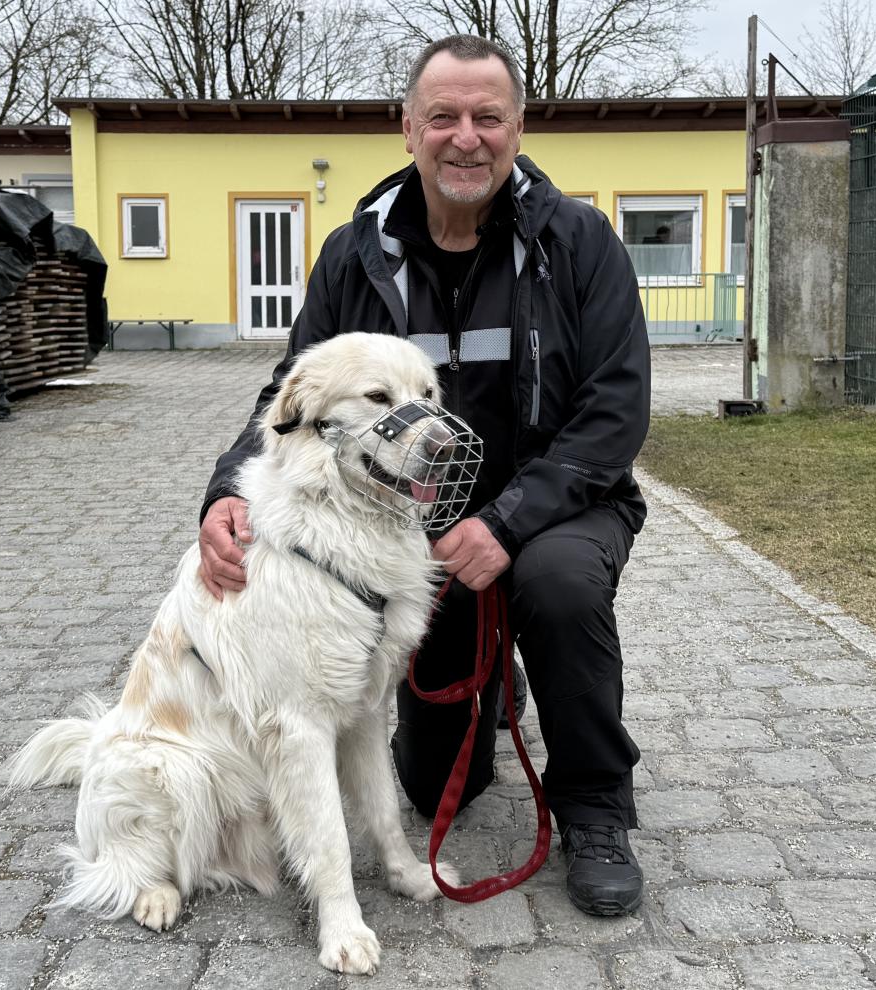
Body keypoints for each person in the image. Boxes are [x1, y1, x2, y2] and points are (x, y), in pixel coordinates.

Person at [196, 34, 651, 917]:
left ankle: (595, 804)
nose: (466, 137)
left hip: (560, 504)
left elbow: (615, 411)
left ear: (518, 128)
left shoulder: (581, 242)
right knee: (442, 779)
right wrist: (224, 491)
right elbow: (290, 391)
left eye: (488, 117)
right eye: (443, 116)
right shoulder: (353, 252)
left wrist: (511, 522)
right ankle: (493, 687)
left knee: (556, 591)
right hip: (411, 527)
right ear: (409, 128)